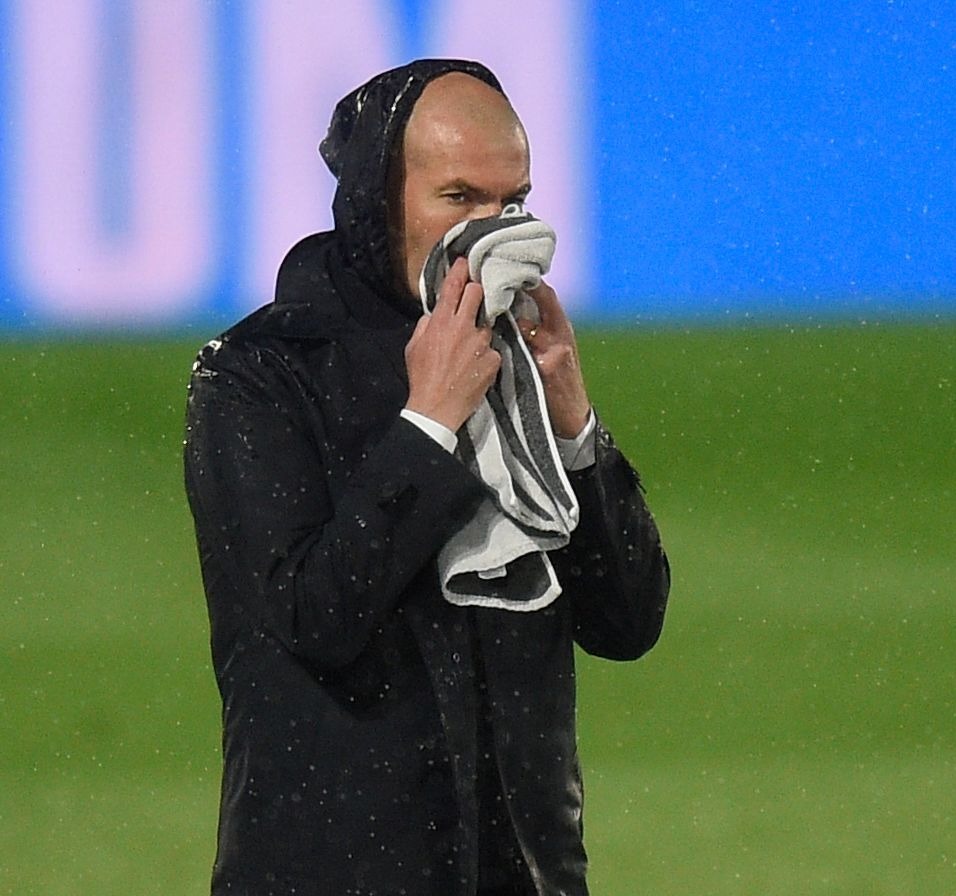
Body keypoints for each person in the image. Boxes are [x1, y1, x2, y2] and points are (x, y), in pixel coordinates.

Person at [184, 58, 670, 896]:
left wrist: (575, 426)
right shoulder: (255, 376)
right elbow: (316, 616)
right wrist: (429, 424)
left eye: (511, 202)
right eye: (458, 199)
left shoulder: (513, 364)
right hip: (333, 873)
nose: (492, 231)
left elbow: (627, 621)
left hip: (525, 871)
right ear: (378, 200)